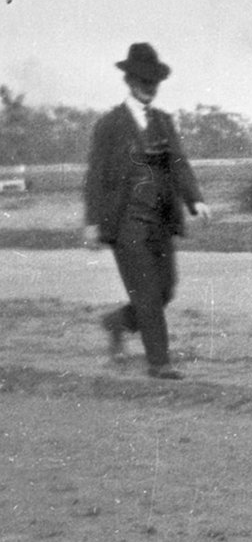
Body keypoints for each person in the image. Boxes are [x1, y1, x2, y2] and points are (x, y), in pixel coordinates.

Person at [83, 43, 211, 379]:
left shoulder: (164, 122)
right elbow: (95, 175)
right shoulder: (109, 125)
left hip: (161, 221)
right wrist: (92, 222)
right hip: (125, 223)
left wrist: (195, 200)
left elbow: (179, 164)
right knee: (148, 294)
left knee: (166, 288)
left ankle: (118, 322)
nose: (149, 87)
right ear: (129, 80)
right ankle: (159, 362)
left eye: (154, 80)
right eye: (142, 79)